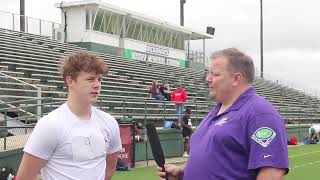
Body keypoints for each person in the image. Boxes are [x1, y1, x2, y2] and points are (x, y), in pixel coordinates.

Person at [157, 48, 289, 180]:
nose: (208, 79)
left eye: (214, 74)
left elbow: (271, 173)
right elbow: (215, 157)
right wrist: (182, 172)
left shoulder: (260, 114)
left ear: (236, 78)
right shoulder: (216, 111)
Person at [16, 52, 122, 180]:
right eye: (90, 79)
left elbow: (109, 169)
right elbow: (25, 176)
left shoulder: (109, 122)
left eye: (99, 79)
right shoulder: (50, 125)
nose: (97, 84)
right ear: (70, 81)